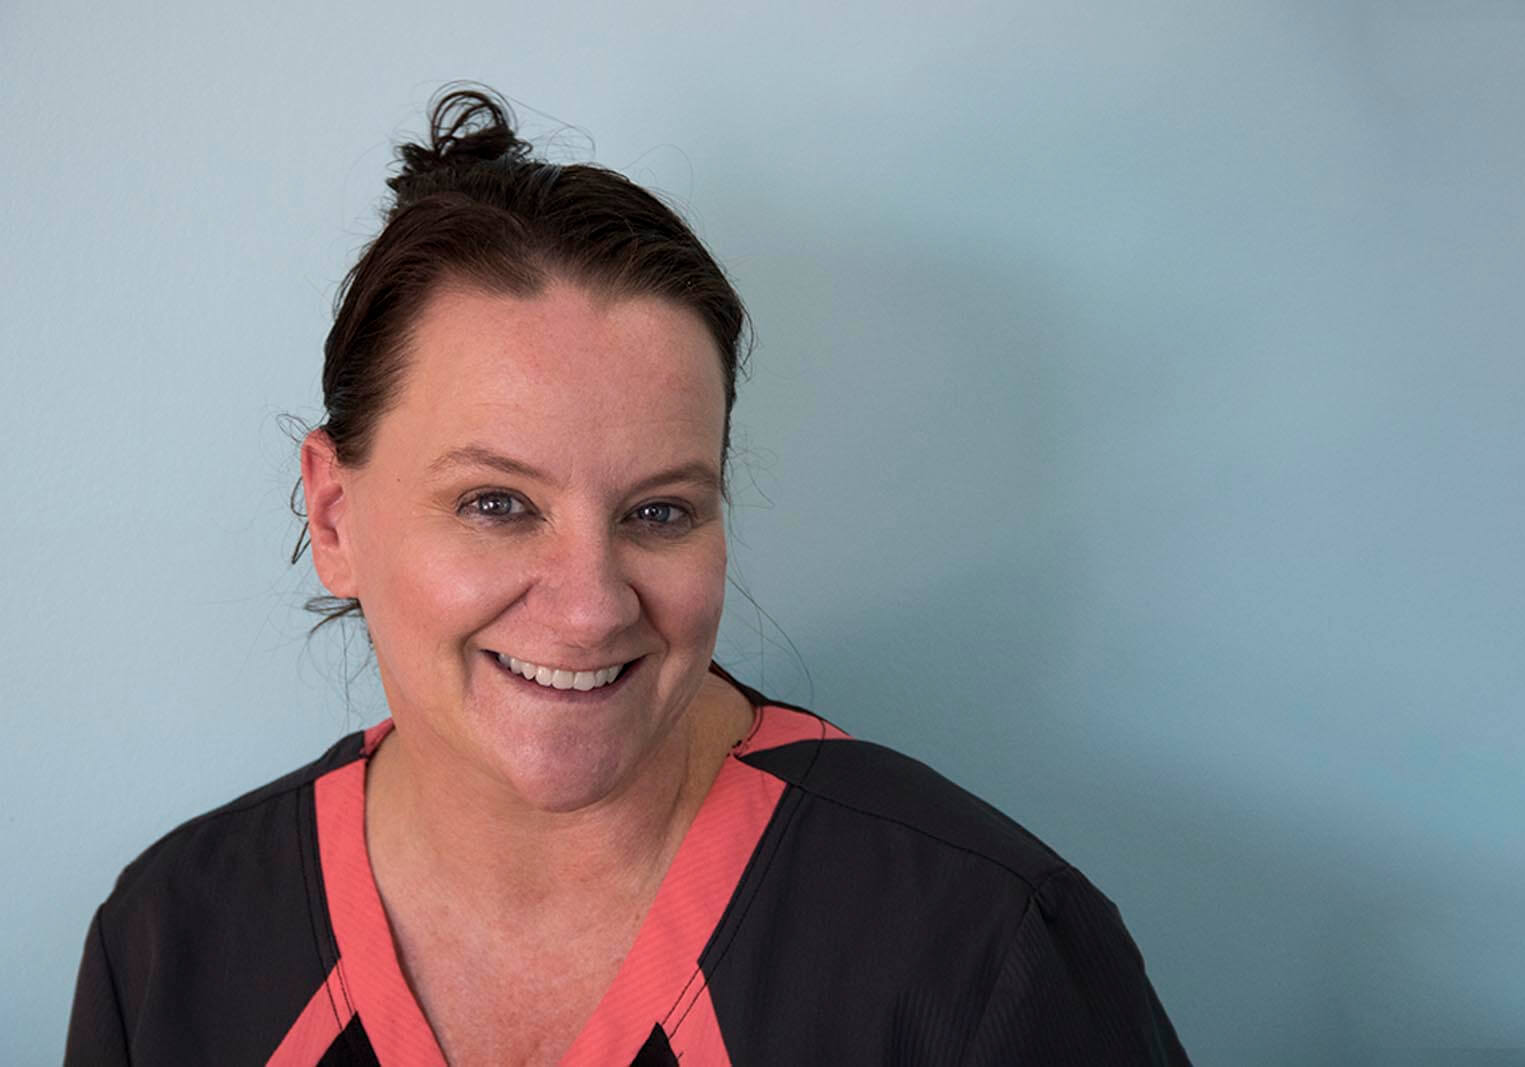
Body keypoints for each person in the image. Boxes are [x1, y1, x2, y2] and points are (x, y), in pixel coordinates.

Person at [65, 87, 1190, 1066]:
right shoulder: (170, 941)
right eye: (497, 503)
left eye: (659, 511)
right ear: (336, 513)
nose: (593, 602)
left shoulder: (981, 947)